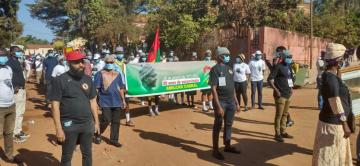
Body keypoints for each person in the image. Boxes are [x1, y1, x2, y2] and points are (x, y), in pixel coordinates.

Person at [49, 51, 100, 166]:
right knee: (67, 157)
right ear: (69, 63)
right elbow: (55, 104)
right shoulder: (60, 80)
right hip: (69, 125)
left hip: (87, 124)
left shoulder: (88, 79)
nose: (81, 64)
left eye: (82, 61)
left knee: (87, 154)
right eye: (77, 62)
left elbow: (93, 101)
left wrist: (96, 122)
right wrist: (58, 129)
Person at [312, 43, 353, 166]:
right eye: (343, 59)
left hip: (332, 122)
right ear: (338, 61)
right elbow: (335, 101)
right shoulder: (331, 79)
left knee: (335, 155)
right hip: (333, 125)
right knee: (329, 157)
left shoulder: (331, 75)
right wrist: (345, 124)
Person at [209, 47, 241, 160]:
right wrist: (218, 106)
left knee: (229, 125)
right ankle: (215, 150)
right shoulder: (214, 70)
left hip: (231, 102)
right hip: (221, 102)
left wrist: (236, 103)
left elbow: (232, 88)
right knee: (218, 125)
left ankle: (227, 146)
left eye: (228, 54)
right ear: (219, 56)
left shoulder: (229, 69)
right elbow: (213, 89)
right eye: (226, 55)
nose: (228, 56)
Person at [94, 54, 126, 147]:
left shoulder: (118, 74)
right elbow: (96, 89)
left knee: (116, 121)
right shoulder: (100, 74)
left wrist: (123, 100)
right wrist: (95, 101)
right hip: (105, 101)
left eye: (111, 62)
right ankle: (97, 133)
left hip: (117, 101)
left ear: (114, 63)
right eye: (107, 62)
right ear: (105, 63)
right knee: (106, 120)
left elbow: (121, 88)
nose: (109, 64)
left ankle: (114, 140)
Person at [0, 49, 23, 164]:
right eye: (0, 56)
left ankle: (9, 156)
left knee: (9, 132)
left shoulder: (8, 69)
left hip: (10, 105)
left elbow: (9, 84)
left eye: (4, 55)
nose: (3, 57)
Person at [268, 51, 295, 142]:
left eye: (291, 57)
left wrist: (291, 88)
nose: (290, 58)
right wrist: (276, 90)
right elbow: (270, 80)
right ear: (283, 57)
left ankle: (283, 131)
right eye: (288, 57)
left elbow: (289, 78)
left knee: (285, 114)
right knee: (279, 115)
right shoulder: (278, 67)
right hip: (280, 95)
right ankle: (277, 134)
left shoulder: (289, 66)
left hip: (288, 94)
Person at [6, 46, 29, 143]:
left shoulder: (17, 61)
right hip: (17, 90)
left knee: (21, 112)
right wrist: (13, 86)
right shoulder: (10, 63)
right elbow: (7, 76)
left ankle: (18, 130)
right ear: (11, 53)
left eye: (19, 51)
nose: (19, 53)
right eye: (17, 51)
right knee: (17, 112)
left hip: (21, 89)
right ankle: (15, 133)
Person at [114, 46, 134, 126]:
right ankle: (115, 120)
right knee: (116, 103)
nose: (120, 54)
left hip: (125, 85)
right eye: (118, 53)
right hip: (115, 85)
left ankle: (128, 120)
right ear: (116, 54)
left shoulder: (125, 62)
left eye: (121, 53)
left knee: (126, 102)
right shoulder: (113, 62)